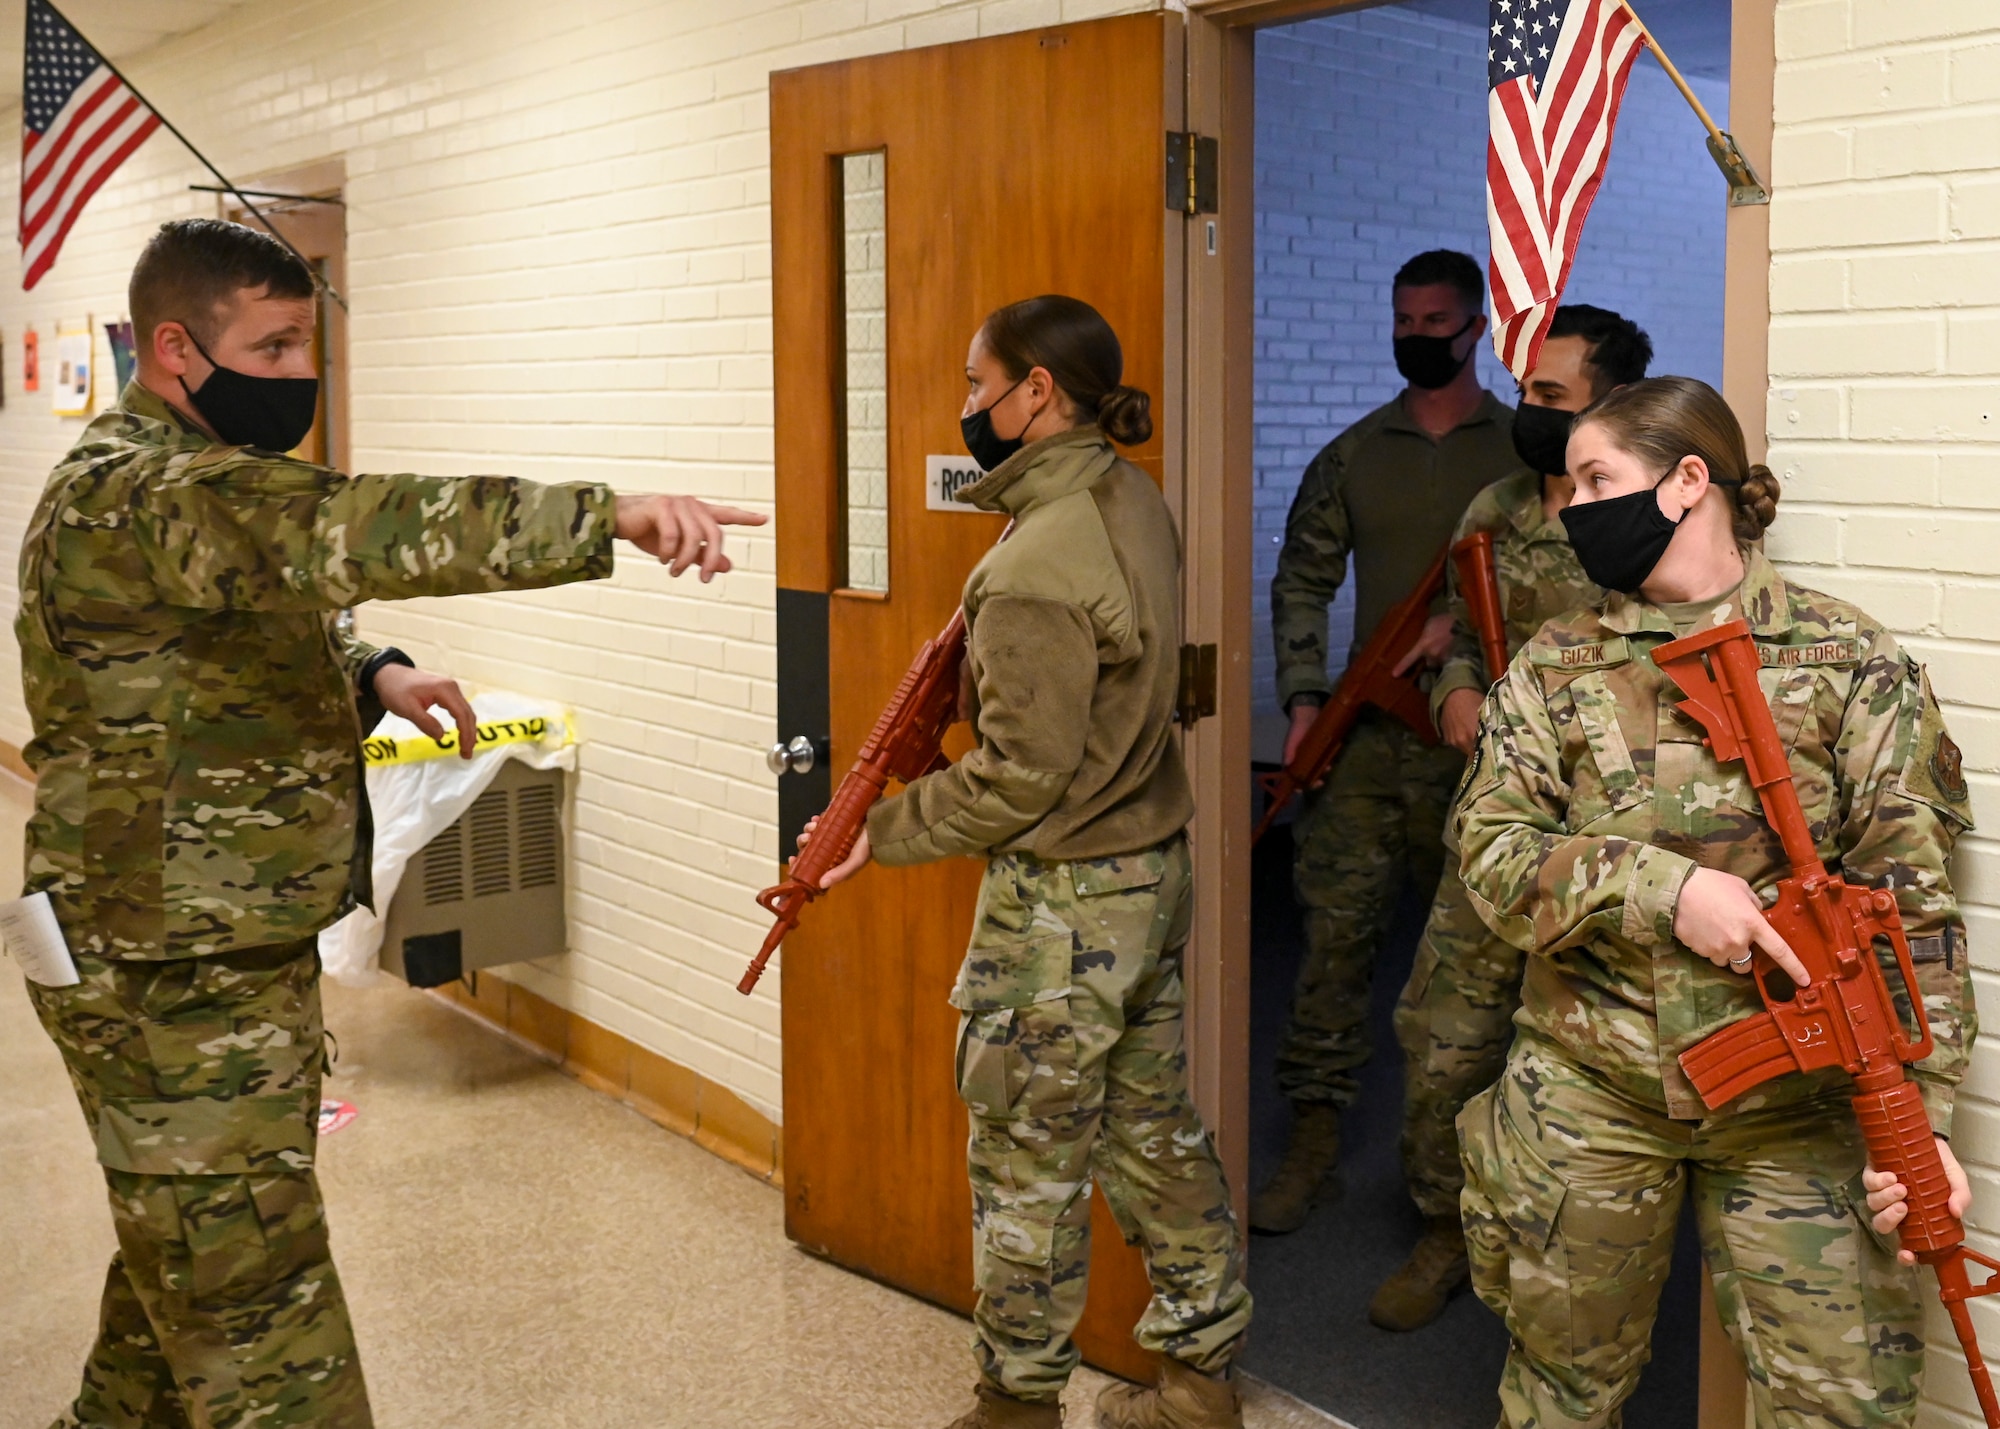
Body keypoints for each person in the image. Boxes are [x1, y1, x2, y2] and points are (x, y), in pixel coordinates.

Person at [18, 218, 764, 1429]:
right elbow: (353, 525)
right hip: (160, 966)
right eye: (268, 345)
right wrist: (607, 514)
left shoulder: (186, 493)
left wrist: (374, 673)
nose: (295, 374)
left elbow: (245, 624)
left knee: (190, 1269)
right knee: (262, 1324)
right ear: (173, 350)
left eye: (303, 341)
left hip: (201, 943)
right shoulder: (137, 491)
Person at [1454, 376, 1975, 1426]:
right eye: (1565, 485)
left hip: (1797, 1108)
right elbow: (1486, 852)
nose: (1567, 508)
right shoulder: (1555, 664)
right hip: (1587, 1091)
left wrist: (1914, 1127)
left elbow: (1909, 910)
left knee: (1843, 1407)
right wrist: (1661, 886)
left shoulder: (1849, 664)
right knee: (1558, 1393)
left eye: (1595, 479)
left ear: (1688, 481)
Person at [808, 295, 1252, 1429]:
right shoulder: (1125, 494)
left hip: (1064, 903)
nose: (964, 407)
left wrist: (883, 829)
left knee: (1024, 1159)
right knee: (1150, 1124)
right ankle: (1199, 1374)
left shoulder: (1033, 564)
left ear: (1035, 393)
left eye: (974, 384)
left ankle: (1016, 1404)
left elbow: (1018, 775)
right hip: (1148, 868)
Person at [1369, 305, 1650, 1331]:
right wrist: (1451, 685)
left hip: (1612, 849)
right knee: (1441, 1036)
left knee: (1587, 1061)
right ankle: (1444, 1225)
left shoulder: (1636, 521)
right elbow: (1457, 631)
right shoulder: (1490, 507)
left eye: (1548, 396)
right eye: (1523, 388)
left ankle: (1571, 1255)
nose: (1524, 409)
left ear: (1609, 405)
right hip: (1494, 831)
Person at [1256, 249, 1521, 1234]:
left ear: (1474, 330)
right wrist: (1301, 699)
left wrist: (1462, 623)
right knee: (1331, 939)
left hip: (1486, 746)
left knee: (1475, 968)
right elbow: (1302, 579)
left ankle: (1464, 1182)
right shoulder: (1356, 451)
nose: (1415, 336)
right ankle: (1312, 1142)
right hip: (1366, 739)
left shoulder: (1523, 452)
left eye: (1434, 322)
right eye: (1402, 320)